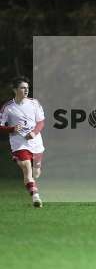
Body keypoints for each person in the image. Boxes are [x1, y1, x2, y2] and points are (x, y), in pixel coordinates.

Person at [0, 76, 45, 208]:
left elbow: (41, 122)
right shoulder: (8, 107)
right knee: (26, 167)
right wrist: (12, 128)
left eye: (27, 88)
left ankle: (35, 175)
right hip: (19, 143)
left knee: (36, 173)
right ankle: (35, 197)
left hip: (36, 143)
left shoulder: (34, 103)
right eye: (22, 88)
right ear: (15, 90)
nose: (26, 90)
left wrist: (34, 132)